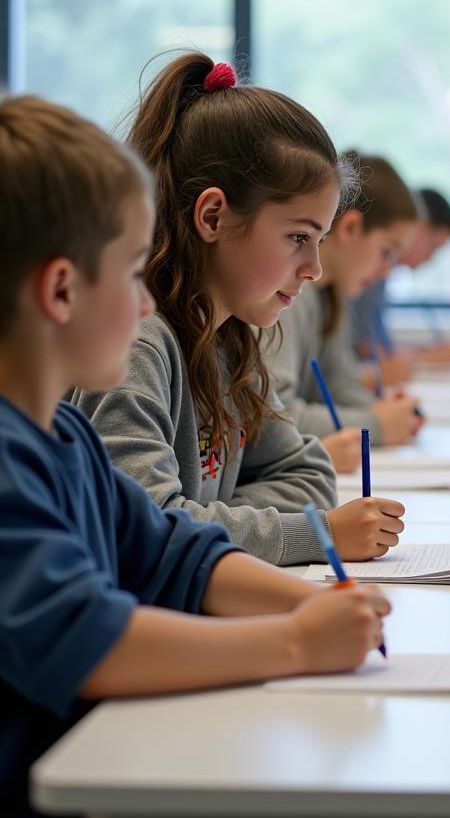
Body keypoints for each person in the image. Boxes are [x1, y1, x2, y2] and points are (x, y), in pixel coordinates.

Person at [0, 95, 389, 815]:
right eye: (128, 276)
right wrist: (297, 641)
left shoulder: (68, 439)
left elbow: (173, 550)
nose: (147, 305)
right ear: (60, 290)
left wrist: (316, 602)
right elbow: (87, 639)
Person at [73, 54, 405, 564]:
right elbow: (142, 533)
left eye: (318, 240)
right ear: (212, 216)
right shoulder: (138, 344)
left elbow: (310, 476)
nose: (314, 268)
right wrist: (315, 535)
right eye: (298, 237)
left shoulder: (229, 339)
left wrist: (205, 518)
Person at [267, 153, 425, 467]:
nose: (385, 272)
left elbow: (339, 384)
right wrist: (376, 423)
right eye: (387, 252)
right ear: (351, 228)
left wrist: (387, 410)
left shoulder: (333, 296)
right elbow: (275, 416)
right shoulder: (289, 298)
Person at [351, 186, 450, 372]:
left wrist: (424, 352)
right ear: (420, 227)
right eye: (433, 248)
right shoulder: (369, 271)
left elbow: (378, 344)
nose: (429, 259)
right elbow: (363, 347)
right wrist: (427, 358)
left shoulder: (382, 273)